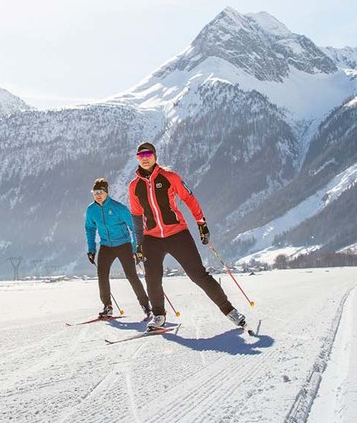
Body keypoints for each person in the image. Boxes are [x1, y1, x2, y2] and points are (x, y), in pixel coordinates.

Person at [127, 142, 247, 331]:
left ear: (155, 156)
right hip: (152, 238)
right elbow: (135, 216)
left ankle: (230, 310)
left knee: (198, 275)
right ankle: (158, 316)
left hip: (177, 234)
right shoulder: (134, 186)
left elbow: (189, 198)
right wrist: (139, 245)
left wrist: (201, 224)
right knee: (152, 278)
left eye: (148, 154)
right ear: (137, 159)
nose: (145, 158)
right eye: (141, 155)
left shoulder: (170, 177)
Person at [85, 178, 152, 319]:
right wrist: (91, 249)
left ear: (106, 192)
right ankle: (107, 307)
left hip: (123, 244)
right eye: (95, 192)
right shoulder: (91, 210)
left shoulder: (118, 208)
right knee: (102, 275)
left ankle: (146, 306)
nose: (97, 195)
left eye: (100, 192)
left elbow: (134, 228)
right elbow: (90, 229)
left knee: (131, 275)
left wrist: (136, 248)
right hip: (106, 246)